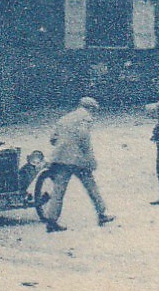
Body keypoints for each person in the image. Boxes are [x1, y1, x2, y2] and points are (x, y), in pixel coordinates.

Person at [44, 96, 115, 233]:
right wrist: (89, 159)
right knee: (91, 186)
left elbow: (53, 138)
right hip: (78, 160)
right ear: (91, 108)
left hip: (60, 159)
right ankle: (102, 214)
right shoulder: (86, 118)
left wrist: (62, 149)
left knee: (58, 190)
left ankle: (51, 221)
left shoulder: (65, 118)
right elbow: (84, 139)